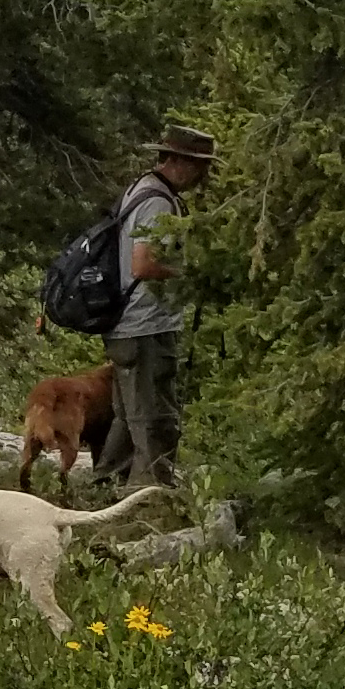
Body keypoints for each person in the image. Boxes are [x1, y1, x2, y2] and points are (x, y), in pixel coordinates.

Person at [107, 124, 214, 488]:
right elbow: (143, 265)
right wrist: (188, 273)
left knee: (128, 417)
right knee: (155, 418)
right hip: (145, 326)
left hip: (127, 324)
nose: (203, 176)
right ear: (180, 162)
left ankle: (106, 486)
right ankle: (150, 495)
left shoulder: (141, 188)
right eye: (200, 166)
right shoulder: (157, 201)